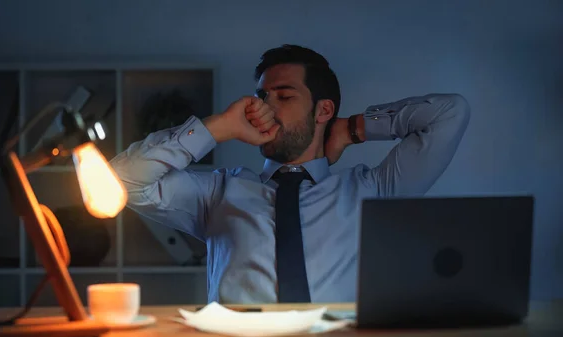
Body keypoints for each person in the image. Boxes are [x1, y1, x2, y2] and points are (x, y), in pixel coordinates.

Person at [110, 44, 470, 304]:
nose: (264, 108)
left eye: (283, 96)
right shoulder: (217, 192)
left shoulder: (373, 190)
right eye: (261, 97)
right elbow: (122, 179)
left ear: (322, 109)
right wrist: (217, 127)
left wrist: (354, 129)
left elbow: (449, 113)